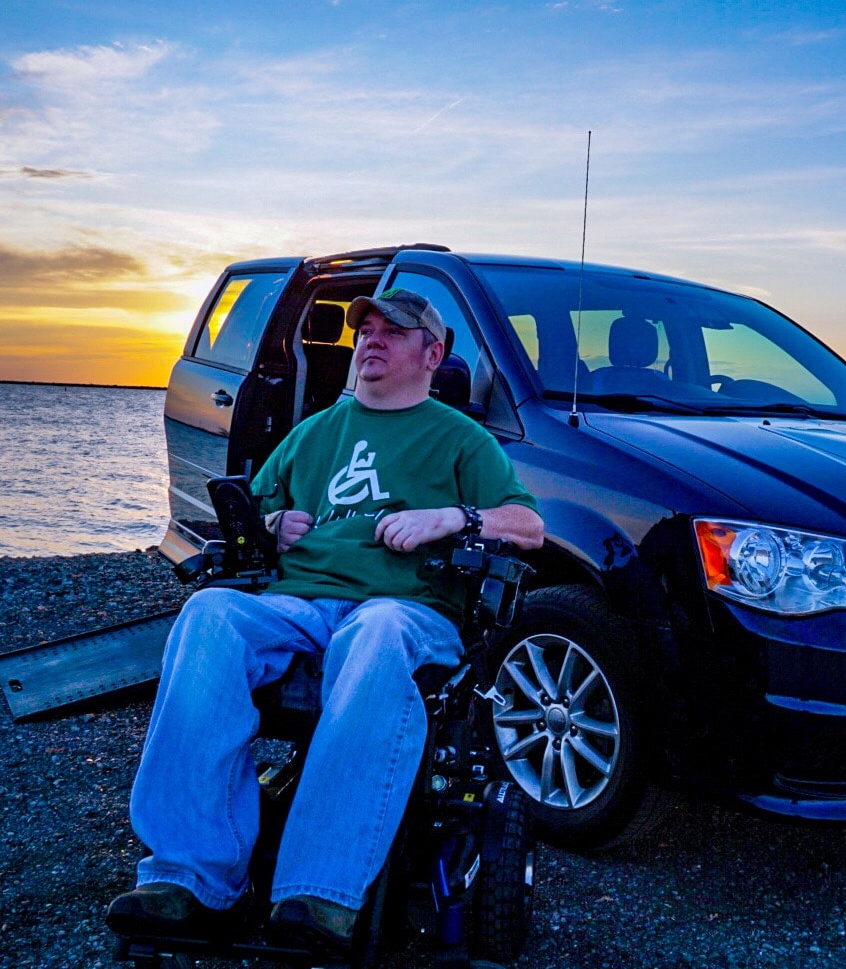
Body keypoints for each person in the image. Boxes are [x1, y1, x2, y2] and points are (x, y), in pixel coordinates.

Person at [106, 287, 544, 955]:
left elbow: (530, 527)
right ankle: (189, 878)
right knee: (210, 614)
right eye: (365, 329)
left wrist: (455, 517)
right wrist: (274, 525)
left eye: (392, 332)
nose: (370, 338)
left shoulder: (463, 439)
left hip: (406, 608)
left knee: (375, 634)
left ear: (434, 352)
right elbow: (245, 518)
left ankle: (319, 893)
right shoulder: (313, 433)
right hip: (300, 603)